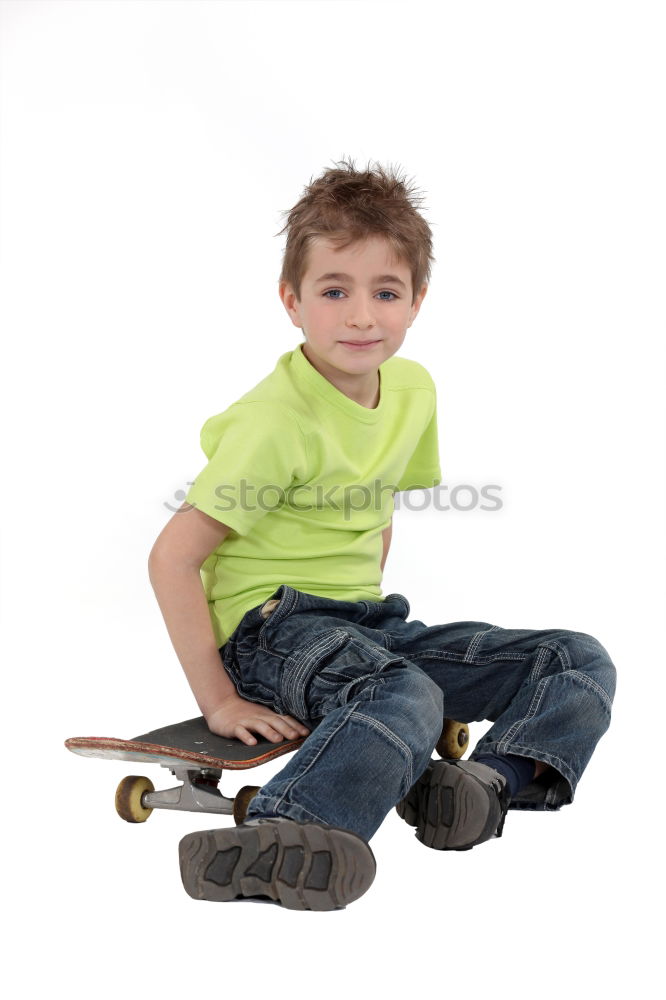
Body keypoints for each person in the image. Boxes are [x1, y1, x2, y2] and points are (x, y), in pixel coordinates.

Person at [148, 157, 617, 912]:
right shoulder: (277, 422)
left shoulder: (412, 389)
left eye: (385, 292)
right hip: (270, 630)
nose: (361, 316)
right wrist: (219, 699)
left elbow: (378, 503)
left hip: (365, 625)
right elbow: (173, 558)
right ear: (291, 301)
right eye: (335, 292)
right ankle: (283, 832)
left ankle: (481, 787)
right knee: (405, 693)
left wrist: (367, 622)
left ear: (417, 301)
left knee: (573, 657)